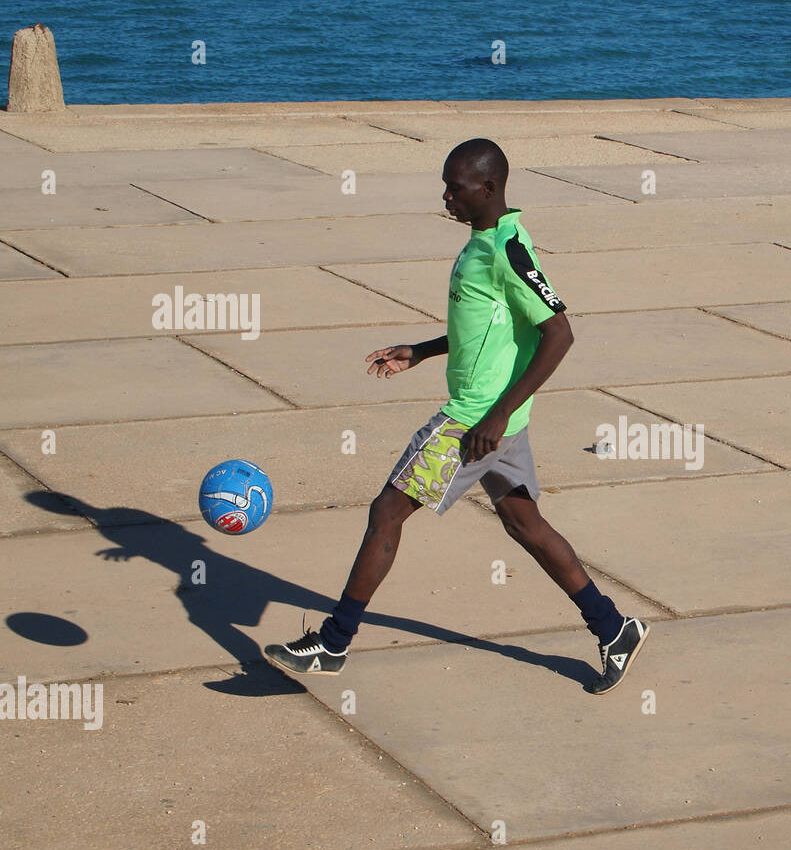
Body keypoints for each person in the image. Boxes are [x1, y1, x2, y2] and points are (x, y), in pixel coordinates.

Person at [263, 138, 648, 695]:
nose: (446, 196)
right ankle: (614, 629)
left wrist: (496, 417)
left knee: (386, 512)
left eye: (455, 187)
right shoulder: (483, 243)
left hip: (474, 423)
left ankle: (333, 642)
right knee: (525, 524)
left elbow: (558, 333)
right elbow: (486, 330)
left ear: (488, 188)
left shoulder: (507, 250)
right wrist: (420, 350)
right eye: (445, 185)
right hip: (495, 424)